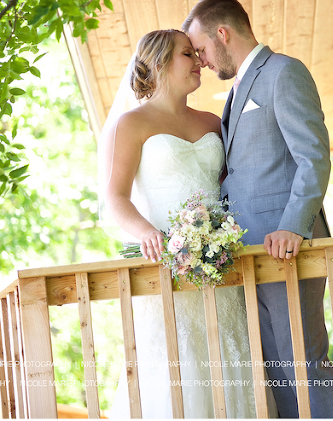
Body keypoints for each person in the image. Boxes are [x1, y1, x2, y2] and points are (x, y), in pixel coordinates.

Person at [184, 0, 333, 418]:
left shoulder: (283, 73)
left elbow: (313, 157)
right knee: (277, 366)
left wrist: (295, 225)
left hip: (287, 244)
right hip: (250, 252)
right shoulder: (237, 90)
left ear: (223, 33)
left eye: (200, 48)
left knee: (304, 359)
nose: (200, 60)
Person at [98, 29, 256, 418]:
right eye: (189, 54)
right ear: (160, 63)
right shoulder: (131, 124)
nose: (200, 61)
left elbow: (231, 186)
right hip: (168, 268)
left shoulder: (212, 121)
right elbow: (114, 198)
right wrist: (148, 234)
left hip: (221, 266)